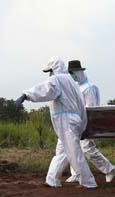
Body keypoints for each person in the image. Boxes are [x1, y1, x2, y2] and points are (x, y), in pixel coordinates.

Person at [16, 57, 97, 188]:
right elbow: (81, 106)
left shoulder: (57, 79)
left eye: (50, 71)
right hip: (73, 121)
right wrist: (82, 126)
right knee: (62, 152)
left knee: (74, 152)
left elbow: (45, 90)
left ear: (55, 69)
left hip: (66, 122)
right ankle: (52, 179)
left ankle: (88, 182)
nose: (49, 74)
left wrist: (25, 95)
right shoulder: (71, 82)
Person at [61, 59, 115, 184]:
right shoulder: (75, 87)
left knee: (87, 148)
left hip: (86, 123)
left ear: (78, 72)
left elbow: (90, 108)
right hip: (76, 122)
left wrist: (84, 124)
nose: (71, 76)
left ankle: (109, 169)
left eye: (72, 73)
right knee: (74, 148)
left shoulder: (88, 88)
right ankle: (76, 173)